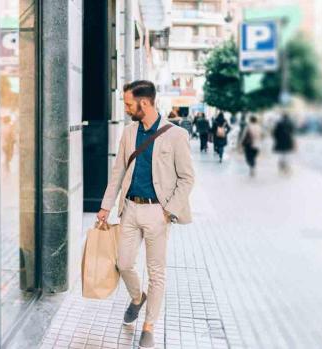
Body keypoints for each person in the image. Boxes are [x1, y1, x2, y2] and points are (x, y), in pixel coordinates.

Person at [96, 80, 195, 349]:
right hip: (129, 209)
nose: (126, 108)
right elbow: (118, 172)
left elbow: (187, 178)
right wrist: (106, 206)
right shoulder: (129, 132)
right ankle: (137, 298)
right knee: (124, 263)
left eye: (129, 104)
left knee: (156, 273)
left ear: (144, 103)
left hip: (157, 213)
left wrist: (168, 212)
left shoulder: (176, 135)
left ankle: (149, 326)